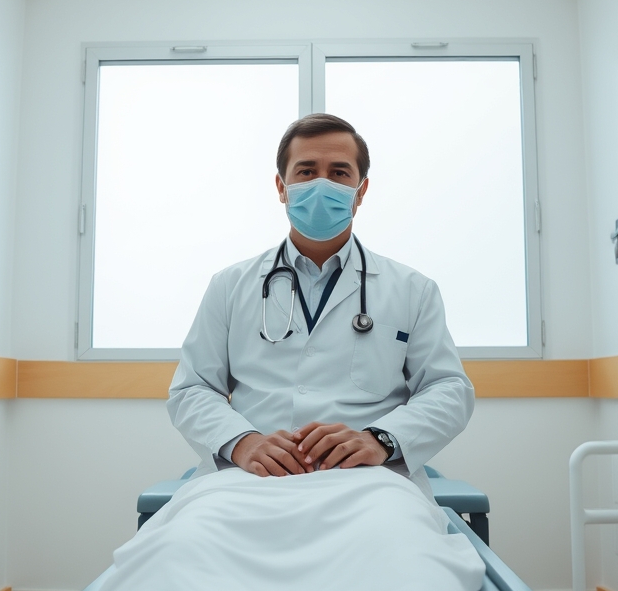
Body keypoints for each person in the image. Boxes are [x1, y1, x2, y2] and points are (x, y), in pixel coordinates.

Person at [167, 112, 474, 500]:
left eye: (340, 173)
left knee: (394, 552)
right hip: (247, 480)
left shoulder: (413, 290)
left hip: (369, 482)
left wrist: (381, 439)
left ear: (360, 191)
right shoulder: (230, 286)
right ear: (282, 187)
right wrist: (242, 442)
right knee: (194, 548)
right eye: (307, 171)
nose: (322, 184)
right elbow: (192, 389)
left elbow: (448, 389)